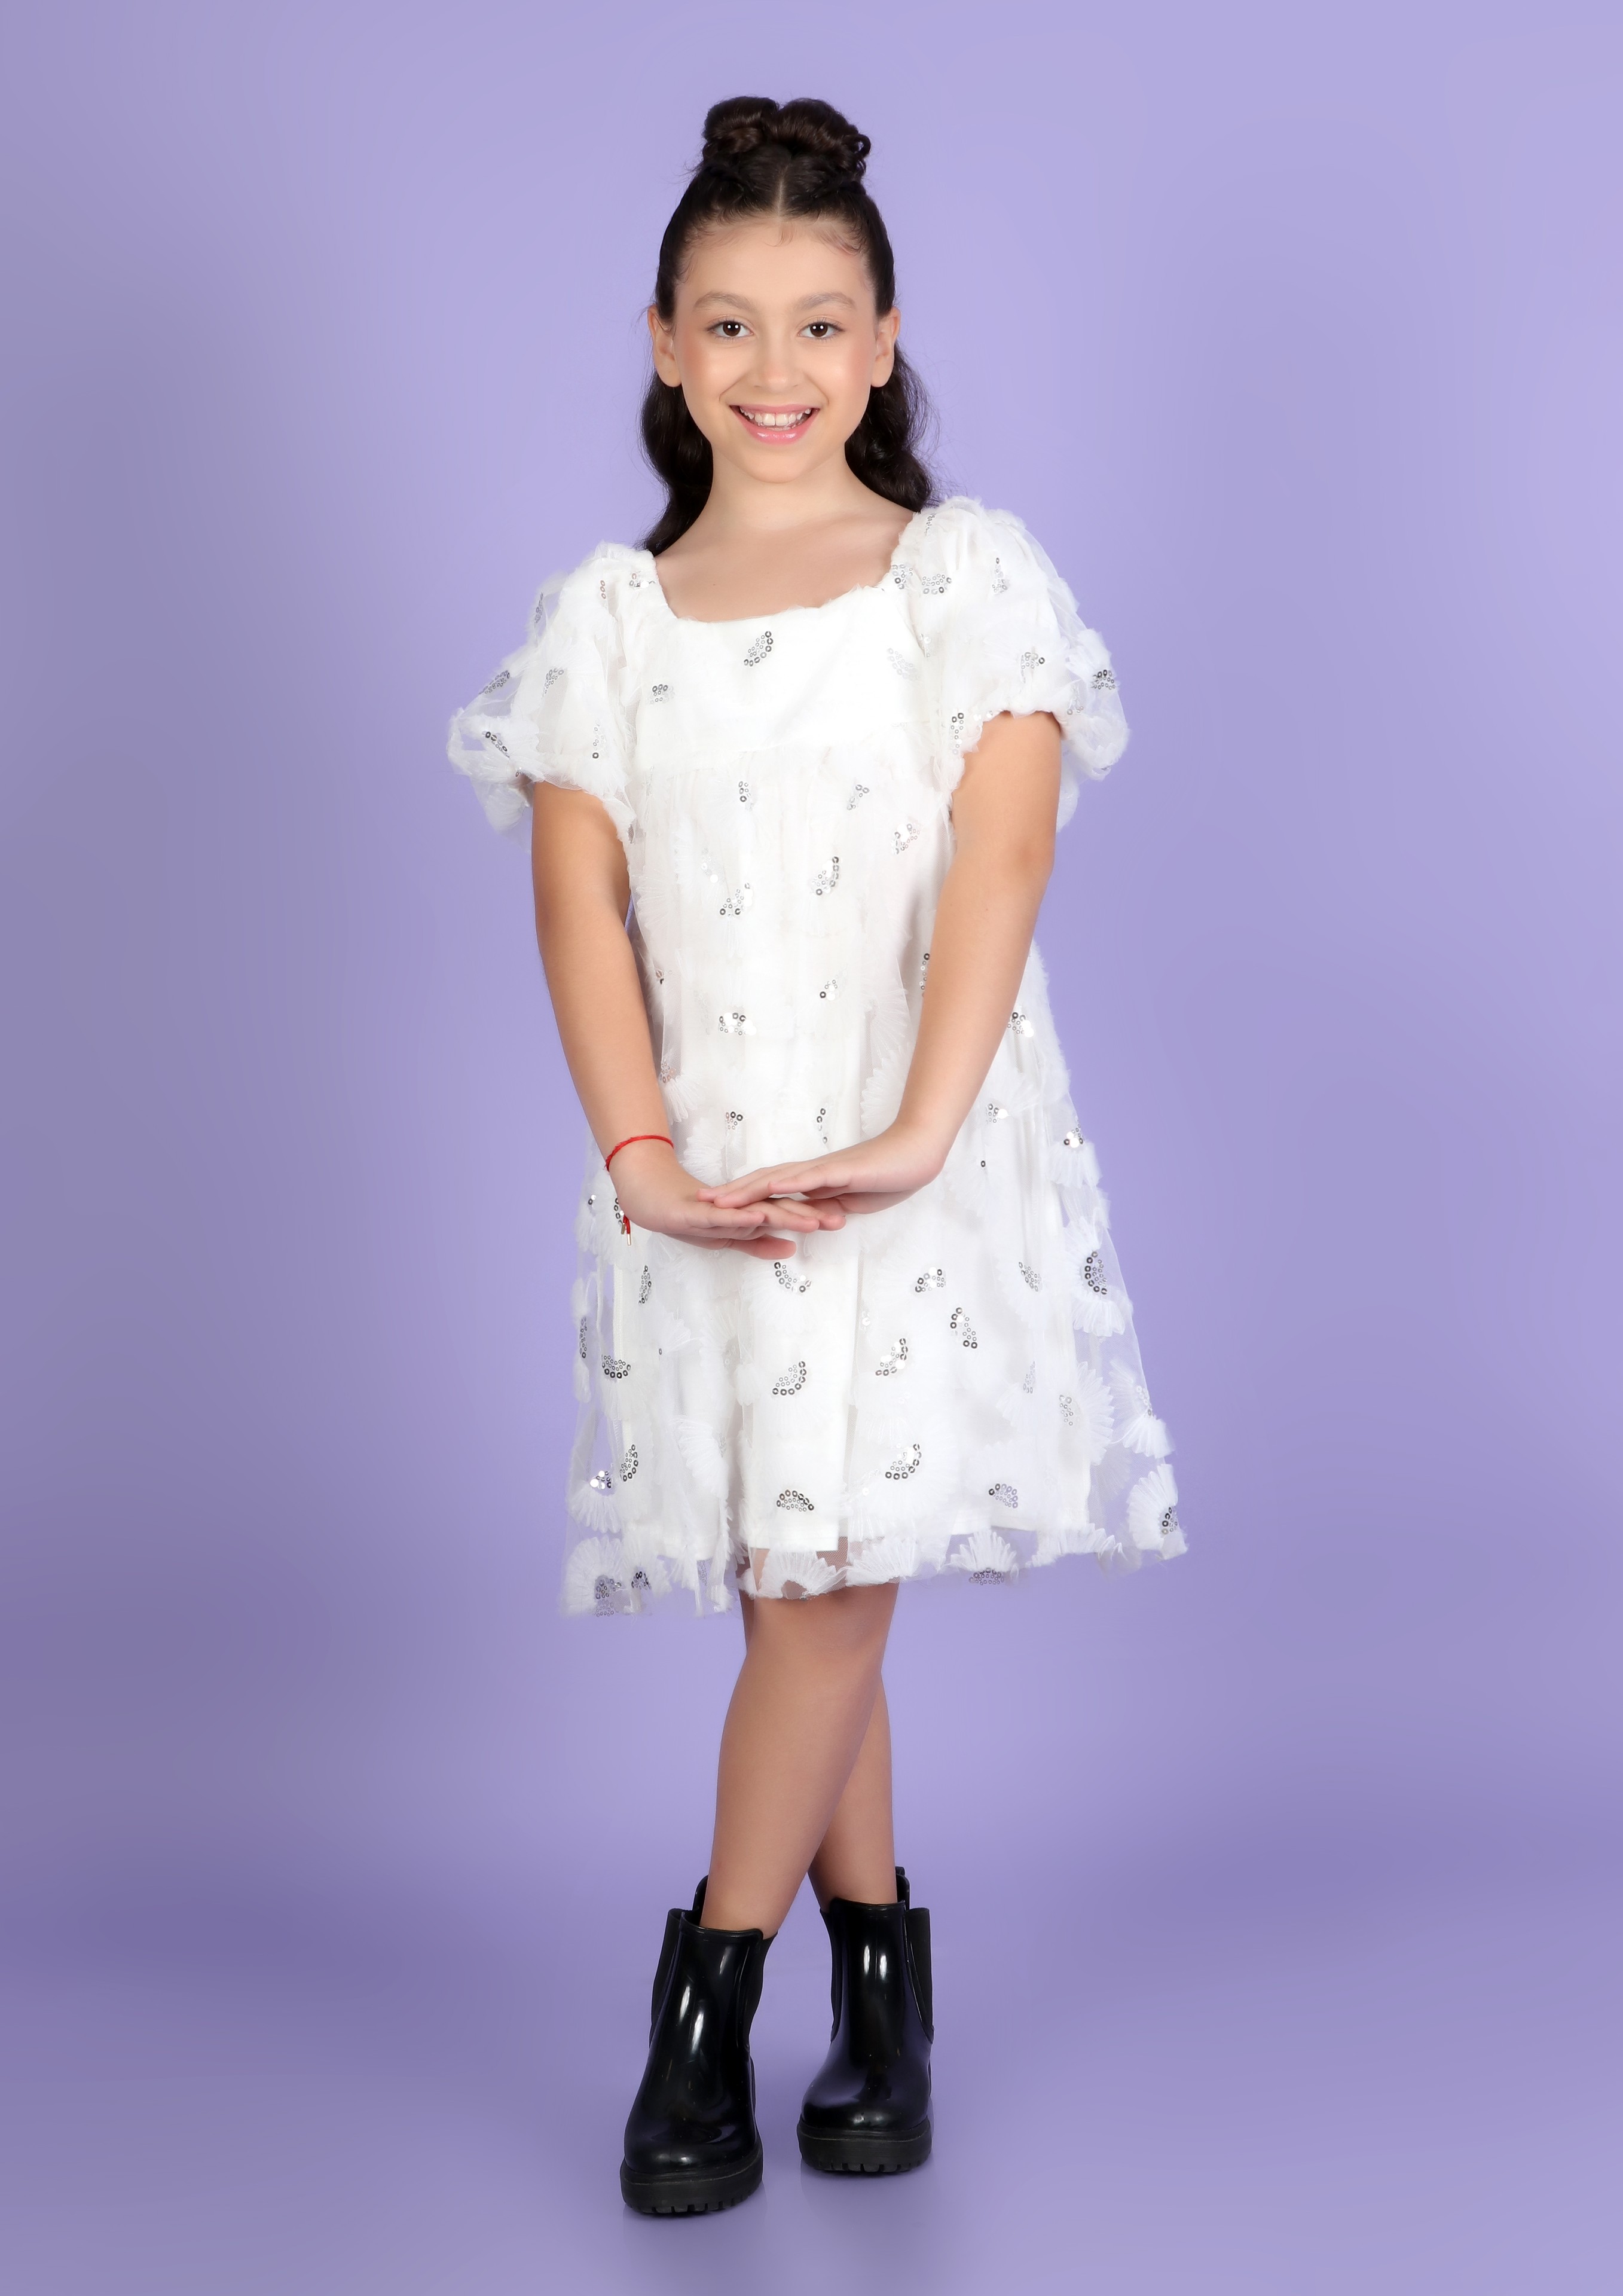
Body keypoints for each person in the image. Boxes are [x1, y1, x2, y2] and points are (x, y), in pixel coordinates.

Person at [449, 93, 1182, 2217]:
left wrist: (919, 1132)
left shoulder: (958, 574)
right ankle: (885, 1992)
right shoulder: (607, 617)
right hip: (713, 1173)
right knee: (808, 1574)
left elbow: (1004, 851)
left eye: (818, 323)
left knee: (823, 1590)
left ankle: (701, 2011)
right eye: (728, 323)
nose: (773, 369)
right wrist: (641, 1154)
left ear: (882, 344)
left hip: (915, 1153)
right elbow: (579, 906)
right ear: (663, 345)